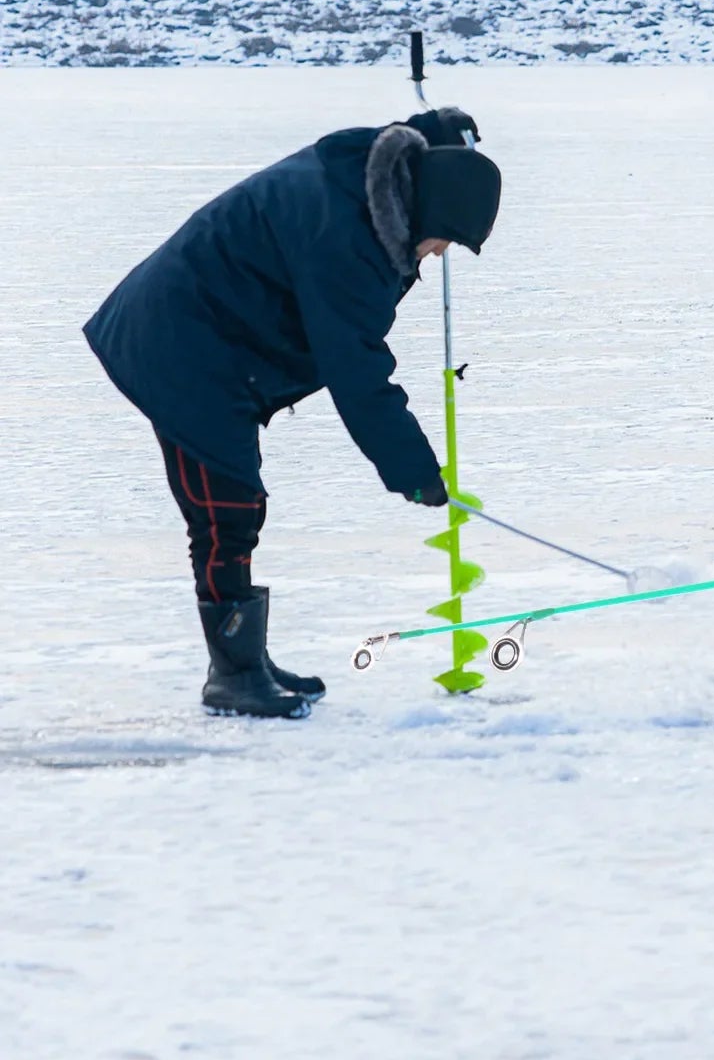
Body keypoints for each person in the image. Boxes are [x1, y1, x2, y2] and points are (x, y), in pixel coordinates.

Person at [83, 106, 502, 719]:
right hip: (180, 343)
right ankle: (234, 676)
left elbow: (418, 151)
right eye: (445, 240)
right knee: (227, 511)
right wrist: (415, 472)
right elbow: (355, 369)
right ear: (429, 210)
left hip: (217, 338)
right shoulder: (345, 236)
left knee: (234, 508)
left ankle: (245, 662)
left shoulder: (370, 180)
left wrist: (440, 128)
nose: (437, 256)